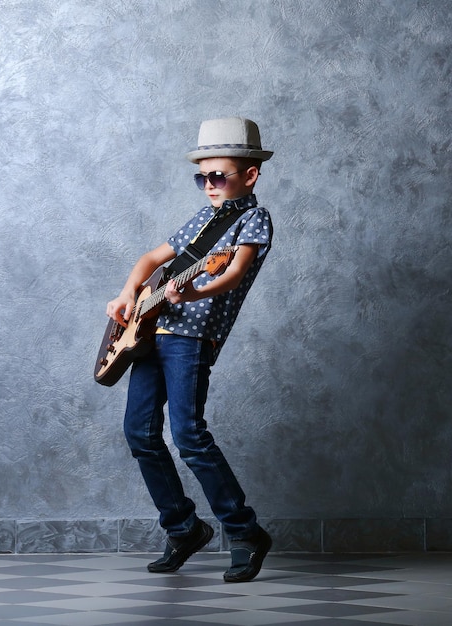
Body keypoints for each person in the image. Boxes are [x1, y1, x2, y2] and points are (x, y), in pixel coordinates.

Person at [106, 116, 274, 583]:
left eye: (217, 175)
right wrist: (127, 294)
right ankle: (184, 528)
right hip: (152, 333)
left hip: (192, 338)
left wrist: (192, 294)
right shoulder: (202, 217)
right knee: (139, 432)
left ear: (250, 174)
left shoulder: (253, 218)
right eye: (202, 177)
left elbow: (232, 274)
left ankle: (245, 533)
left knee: (189, 435)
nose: (208, 185)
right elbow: (151, 260)